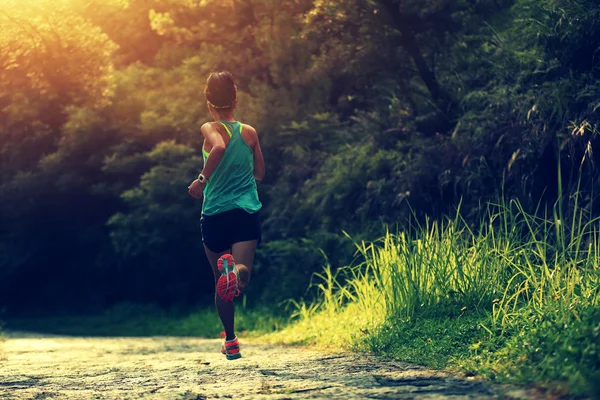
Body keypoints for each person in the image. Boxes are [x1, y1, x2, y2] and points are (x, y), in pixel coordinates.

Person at [188, 71, 265, 360]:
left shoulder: (210, 126)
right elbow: (261, 173)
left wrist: (202, 180)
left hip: (215, 213)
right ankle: (238, 272)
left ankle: (230, 340)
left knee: (220, 282)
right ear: (236, 100)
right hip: (245, 211)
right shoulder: (250, 132)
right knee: (241, 275)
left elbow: (218, 146)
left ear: (210, 103)